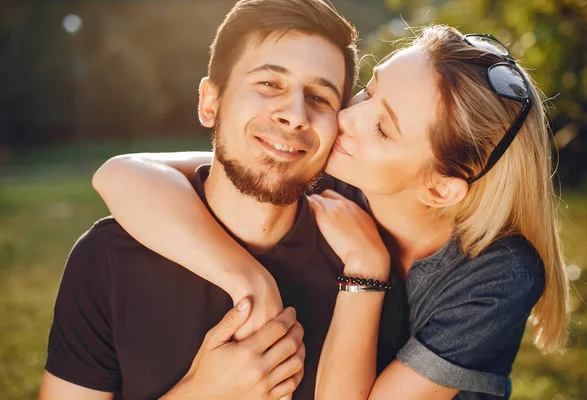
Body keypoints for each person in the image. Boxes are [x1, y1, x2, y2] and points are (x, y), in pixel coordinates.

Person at [93, 25, 570, 399]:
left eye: (382, 127)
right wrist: (249, 283)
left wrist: (366, 270)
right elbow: (123, 175)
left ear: (439, 189)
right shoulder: (339, 174)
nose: (345, 116)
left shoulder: (497, 274)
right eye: (369, 90)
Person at [39, 1, 408, 399]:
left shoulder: (368, 263)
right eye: (269, 84)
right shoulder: (108, 256)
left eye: (320, 97)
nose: (295, 115)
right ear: (209, 102)